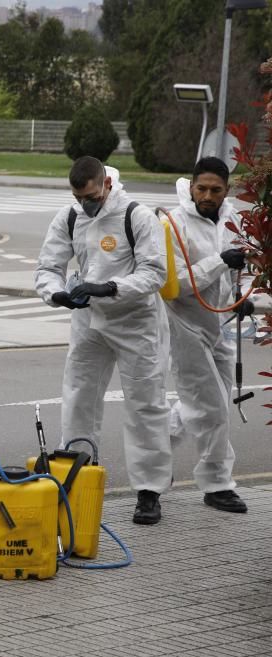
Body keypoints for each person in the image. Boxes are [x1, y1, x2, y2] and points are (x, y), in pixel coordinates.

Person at [35, 156, 171, 525]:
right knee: (79, 398)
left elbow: (153, 273)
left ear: (107, 185)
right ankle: (76, 476)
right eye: (79, 198)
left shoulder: (136, 217)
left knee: (145, 405)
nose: (86, 204)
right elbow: (48, 267)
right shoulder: (69, 217)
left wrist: (111, 287)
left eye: (92, 197)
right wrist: (56, 294)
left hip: (135, 323)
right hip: (88, 323)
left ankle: (149, 490)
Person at [164, 157, 252, 513]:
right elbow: (176, 285)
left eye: (216, 190)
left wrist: (248, 299)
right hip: (186, 326)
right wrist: (219, 261)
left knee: (204, 403)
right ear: (191, 186)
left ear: (226, 190)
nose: (208, 195)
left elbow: (249, 269)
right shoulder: (174, 223)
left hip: (223, 328)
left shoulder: (235, 221)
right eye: (202, 188)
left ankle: (156, 454)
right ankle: (217, 485)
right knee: (214, 405)